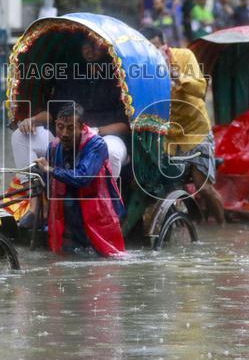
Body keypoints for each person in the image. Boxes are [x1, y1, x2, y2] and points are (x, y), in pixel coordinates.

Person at [12, 35, 129, 181]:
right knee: (20, 136)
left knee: (110, 151)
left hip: (104, 137)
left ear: (107, 49)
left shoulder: (120, 79)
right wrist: (32, 120)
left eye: (96, 44)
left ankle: (100, 200)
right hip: (65, 138)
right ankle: (34, 195)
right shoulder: (70, 74)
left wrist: (94, 133)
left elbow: (125, 124)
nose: (90, 49)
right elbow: (52, 112)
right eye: (86, 44)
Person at [143, 26, 225, 224]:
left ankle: (222, 227)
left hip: (195, 131)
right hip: (167, 136)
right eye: (148, 50)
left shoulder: (185, 56)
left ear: (165, 46)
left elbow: (200, 88)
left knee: (202, 186)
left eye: (156, 48)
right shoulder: (143, 68)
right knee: (160, 184)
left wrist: (177, 76)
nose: (153, 54)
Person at [35, 103, 125, 257]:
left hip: (96, 210)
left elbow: (83, 177)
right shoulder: (54, 147)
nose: (64, 133)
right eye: (60, 126)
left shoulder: (96, 145)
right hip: (68, 213)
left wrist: (51, 169)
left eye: (70, 128)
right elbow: (48, 184)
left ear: (82, 127)